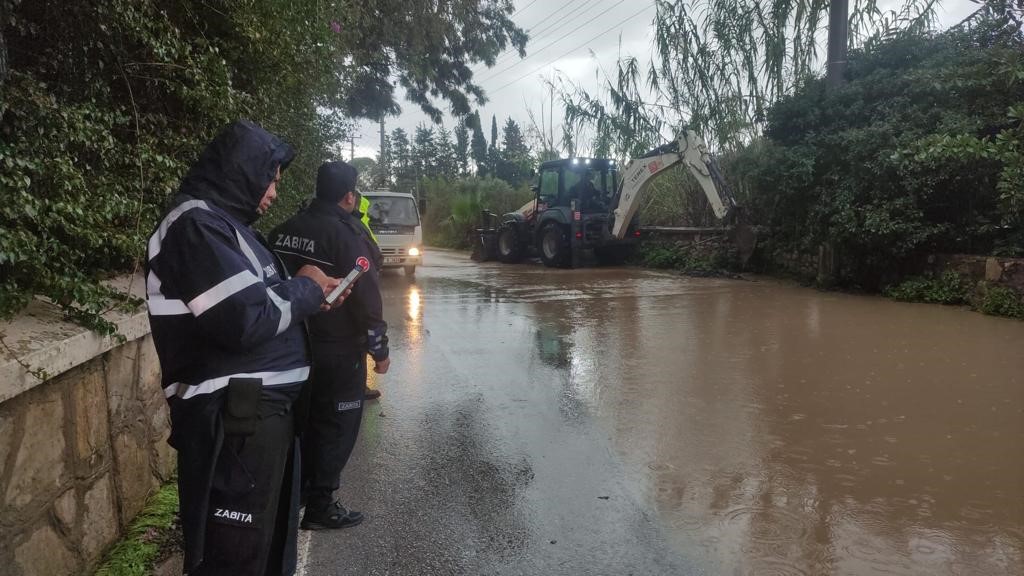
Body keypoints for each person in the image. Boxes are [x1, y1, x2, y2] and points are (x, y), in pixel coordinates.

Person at [145, 120, 344, 576]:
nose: (273, 191)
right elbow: (244, 318)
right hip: (234, 425)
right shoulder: (194, 225)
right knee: (233, 556)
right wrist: (307, 289)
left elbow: (264, 307)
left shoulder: (227, 228)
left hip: (257, 420)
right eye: (270, 176)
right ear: (243, 169)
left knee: (265, 550)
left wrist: (308, 297)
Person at [269, 160, 390, 530]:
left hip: (288, 347)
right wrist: (379, 348)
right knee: (336, 425)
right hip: (336, 350)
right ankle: (321, 505)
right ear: (349, 196)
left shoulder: (283, 230)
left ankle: (297, 493)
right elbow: (366, 297)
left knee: (300, 422)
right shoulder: (348, 235)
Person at [353, 192, 384, 400]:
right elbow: (373, 252)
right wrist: (381, 350)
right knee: (357, 340)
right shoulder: (354, 225)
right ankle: (357, 388)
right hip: (353, 290)